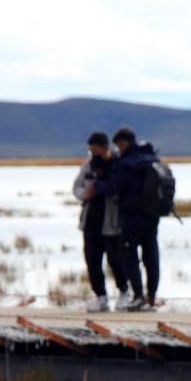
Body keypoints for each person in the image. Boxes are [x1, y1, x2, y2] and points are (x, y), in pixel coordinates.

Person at [94, 127, 161, 312]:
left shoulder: (127, 163)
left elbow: (112, 188)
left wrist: (97, 184)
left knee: (129, 256)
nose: (118, 150)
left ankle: (138, 296)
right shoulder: (152, 159)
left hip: (132, 218)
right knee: (151, 256)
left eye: (118, 146)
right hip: (152, 217)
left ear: (124, 143)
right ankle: (151, 298)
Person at [73, 132, 128, 312]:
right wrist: (85, 194)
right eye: (91, 150)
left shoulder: (118, 164)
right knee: (92, 259)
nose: (93, 153)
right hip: (91, 219)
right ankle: (101, 296)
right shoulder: (89, 166)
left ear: (105, 147)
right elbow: (77, 187)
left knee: (115, 259)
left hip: (111, 221)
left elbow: (119, 189)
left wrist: (102, 189)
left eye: (96, 150)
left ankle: (124, 292)